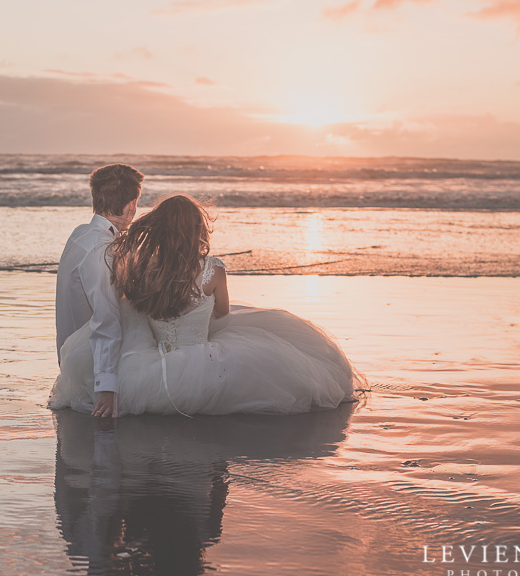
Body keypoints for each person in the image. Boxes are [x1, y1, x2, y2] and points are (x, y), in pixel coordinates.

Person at [50, 195, 367, 416]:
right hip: (202, 357)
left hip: (148, 362)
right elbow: (223, 314)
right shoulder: (213, 269)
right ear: (195, 231)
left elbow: (133, 308)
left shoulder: (144, 269)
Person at [55, 163, 143, 418]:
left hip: (73, 358)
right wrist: (106, 388)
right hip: (90, 371)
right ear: (131, 205)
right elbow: (106, 320)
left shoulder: (81, 234)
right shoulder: (102, 250)